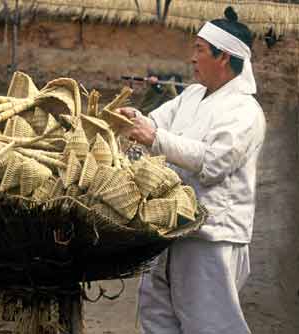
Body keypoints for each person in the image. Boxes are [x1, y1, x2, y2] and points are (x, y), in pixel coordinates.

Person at [118, 7, 266, 334]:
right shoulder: (193, 95)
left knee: (209, 325)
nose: (193, 58)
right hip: (170, 227)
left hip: (212, 237)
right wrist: (134, 120)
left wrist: (154, 138)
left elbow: (214, 164)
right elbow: (157, 122)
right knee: (157, 317)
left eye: (199, 49)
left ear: (224, 57)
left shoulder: (244, 111)